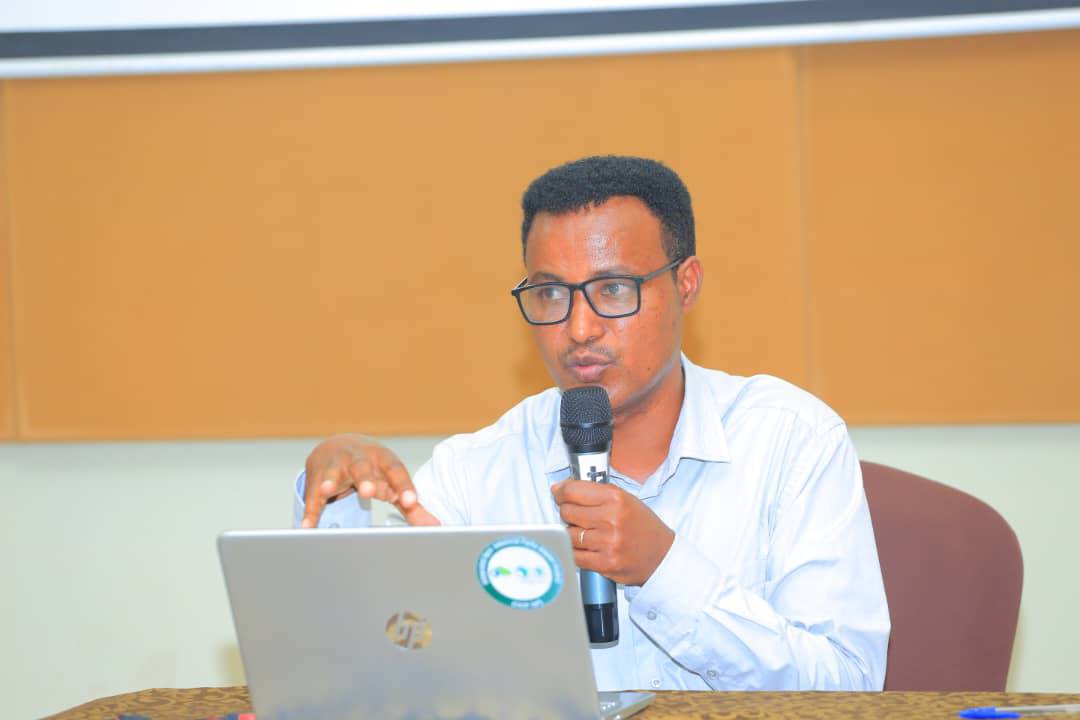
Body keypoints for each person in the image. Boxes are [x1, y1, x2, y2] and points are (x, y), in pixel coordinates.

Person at [294, 155, 890, 691]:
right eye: (552, 294)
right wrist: (344, 498)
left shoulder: (791, 439)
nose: (579, 328)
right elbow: (363, 663)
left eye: (614, 288)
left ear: (685, 285)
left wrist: (665, 570)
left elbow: (847, 684)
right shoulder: (477, 470)